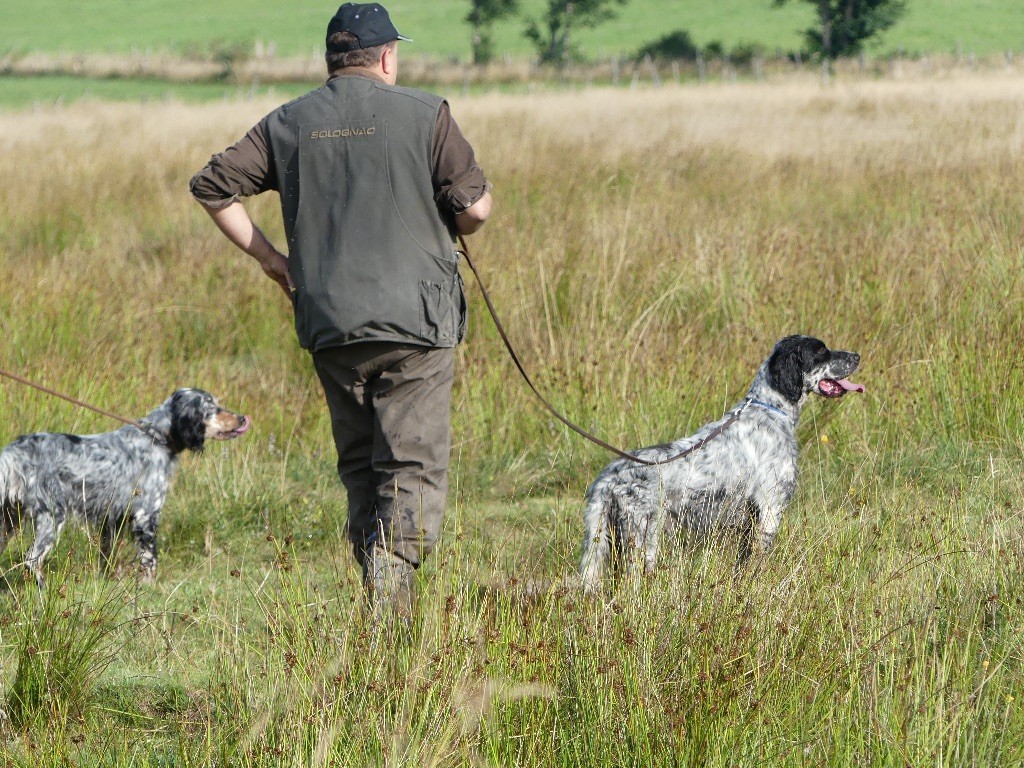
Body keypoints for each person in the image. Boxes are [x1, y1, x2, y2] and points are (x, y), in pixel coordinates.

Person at [189, 2, 492, 625]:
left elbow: (212, 185)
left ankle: (376, 597)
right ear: (386, 57)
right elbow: (476, 211)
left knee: (361, 466)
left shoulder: (289, 122)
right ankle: (390, 617)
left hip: (329, 322)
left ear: (332, 60)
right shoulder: (427, 114)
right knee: (409, 467)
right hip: (418, 325)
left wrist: (274, 260)